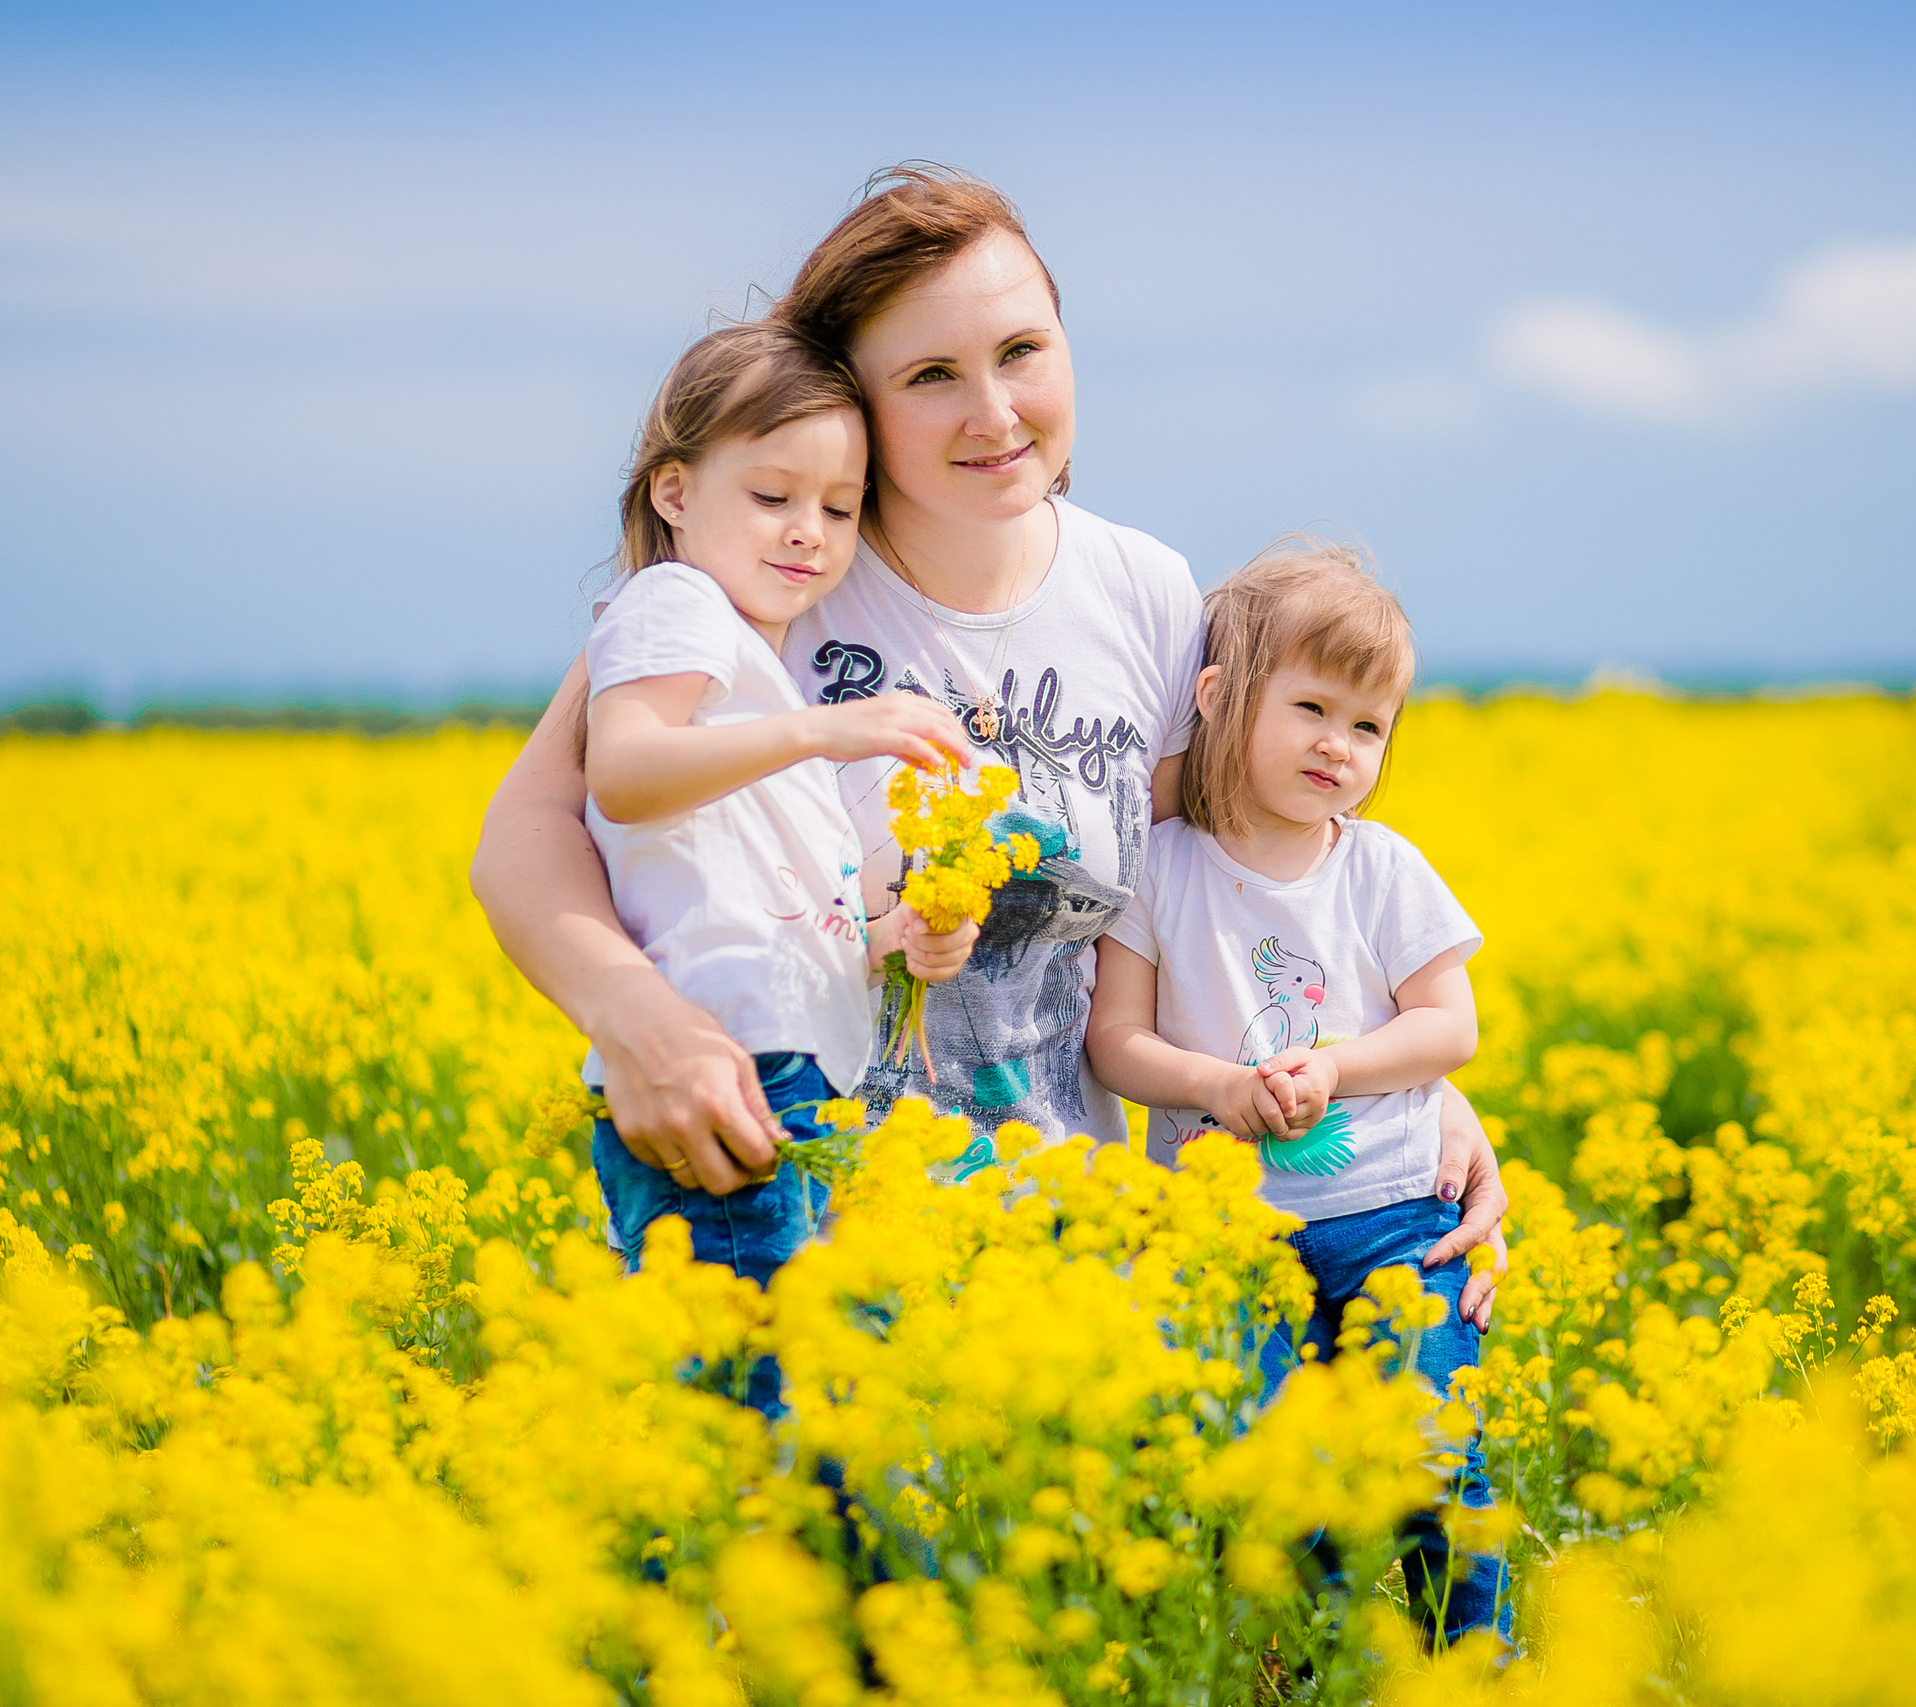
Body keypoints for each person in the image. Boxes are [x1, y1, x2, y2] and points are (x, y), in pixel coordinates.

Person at [468, 166, 1510, 1320]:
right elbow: (526, 833)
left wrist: (1409, 1102)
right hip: (795, 1211)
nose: (996, 413)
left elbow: (1213, 900)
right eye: (929, 376)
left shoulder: (1149, 594)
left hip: (1076, 1248)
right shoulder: (770, 566)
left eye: (1022, 351)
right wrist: (636, 1019)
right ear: (852, 403)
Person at [1085, 539, 1511, 1650]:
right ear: (1222, 701)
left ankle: (1473, 1665)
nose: (1339, 746)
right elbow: (1114, 1042)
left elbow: (1447, 1026)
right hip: (1225, 1238)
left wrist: (1333, 1065)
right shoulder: (1160, 866)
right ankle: (1299, 1663)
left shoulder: (1379, 867)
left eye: (1367, 726)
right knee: (1267, 1476)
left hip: (1396, 1223)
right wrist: (1217, 1087)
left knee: (1428, 1459)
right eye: (1312, 708)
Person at [575, 320, 981, 1352]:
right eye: (771, 497)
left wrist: (896, 940)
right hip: (731, 1068)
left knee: (797, 1395)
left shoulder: (754, 668)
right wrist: (825, 728)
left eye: (838, 508)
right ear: (674, 494)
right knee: (757, 1403)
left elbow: (772, 898)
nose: (809, 530)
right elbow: (619, 773)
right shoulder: (676, 604)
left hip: (790, 1066)